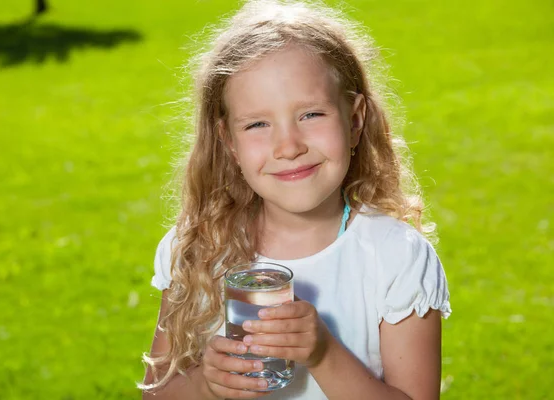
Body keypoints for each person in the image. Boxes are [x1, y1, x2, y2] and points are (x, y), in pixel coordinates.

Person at [140, 0, 451, 399]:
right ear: (229, 143)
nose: (288, 147)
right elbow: (155, 393)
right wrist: (204, 385)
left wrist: (322, 353)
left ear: (355, 120)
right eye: (257, 124)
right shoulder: (198, 248)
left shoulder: (395, 258)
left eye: (311, 115)